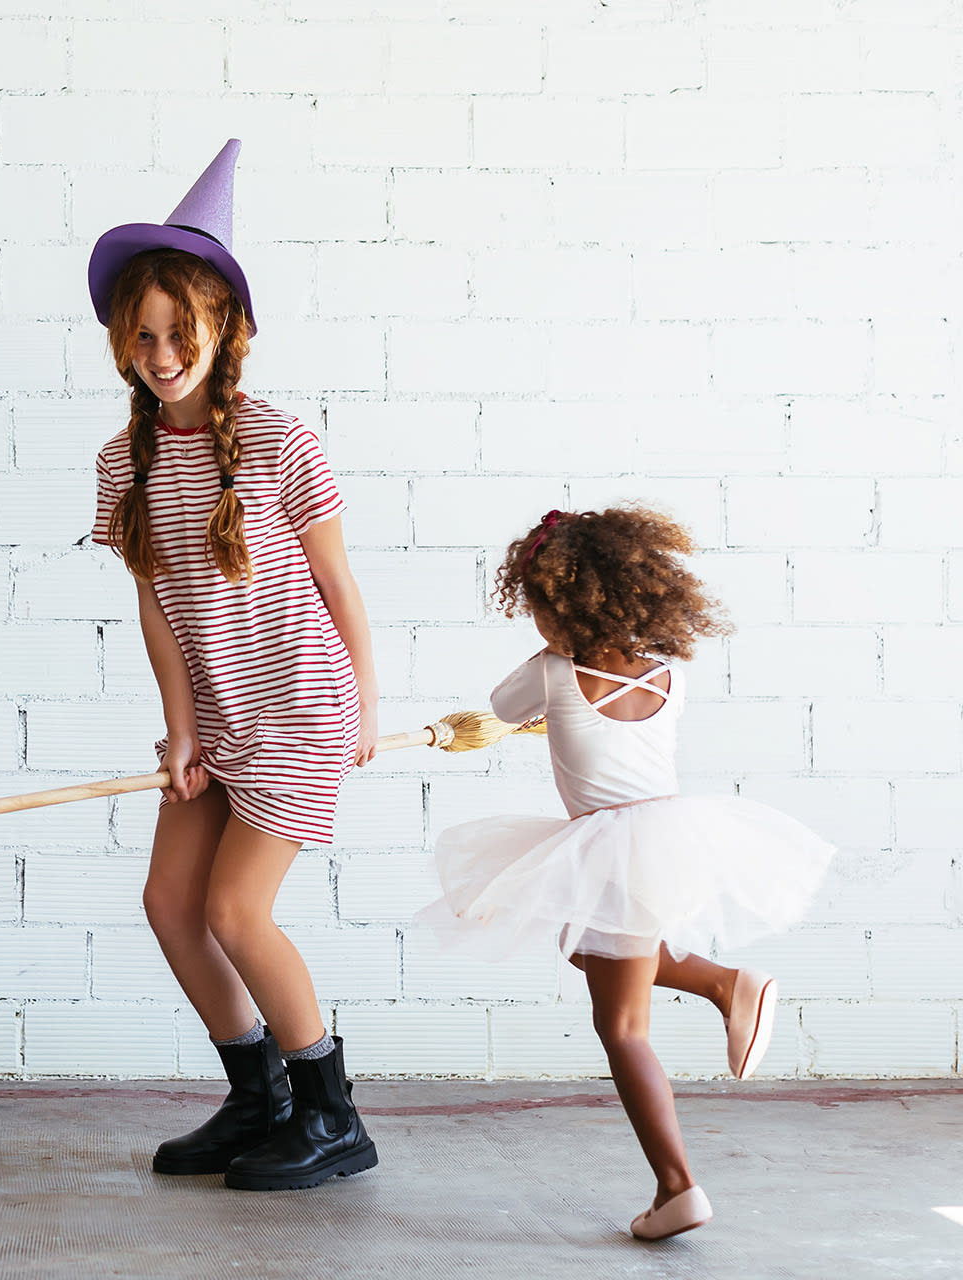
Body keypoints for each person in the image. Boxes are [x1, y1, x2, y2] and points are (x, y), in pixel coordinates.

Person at [88, 141, 381, 1192]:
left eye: (182, 331)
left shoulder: (280, 439)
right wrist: (179, 726)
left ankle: (333, 1113)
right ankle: (259, 1097)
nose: (162, 352)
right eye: (144, 335)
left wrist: (365, 700)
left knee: (235, 912)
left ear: (227, 329)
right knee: (173, 903)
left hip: (300, 705)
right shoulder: (123, 462)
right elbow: (155, 604)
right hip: (215, 716)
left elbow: (341, 586)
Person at [420, 505, 835, 1240]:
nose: (538, 623)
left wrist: (548, 694)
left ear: (564, 606)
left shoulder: (550, 672)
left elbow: (500, 709)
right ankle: (721, 983)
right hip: (665, 839)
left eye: (541, 608)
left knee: (622, 1028)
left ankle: (678, 1186)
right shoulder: (669, 677)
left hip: (603, 849)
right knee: (583, 948)